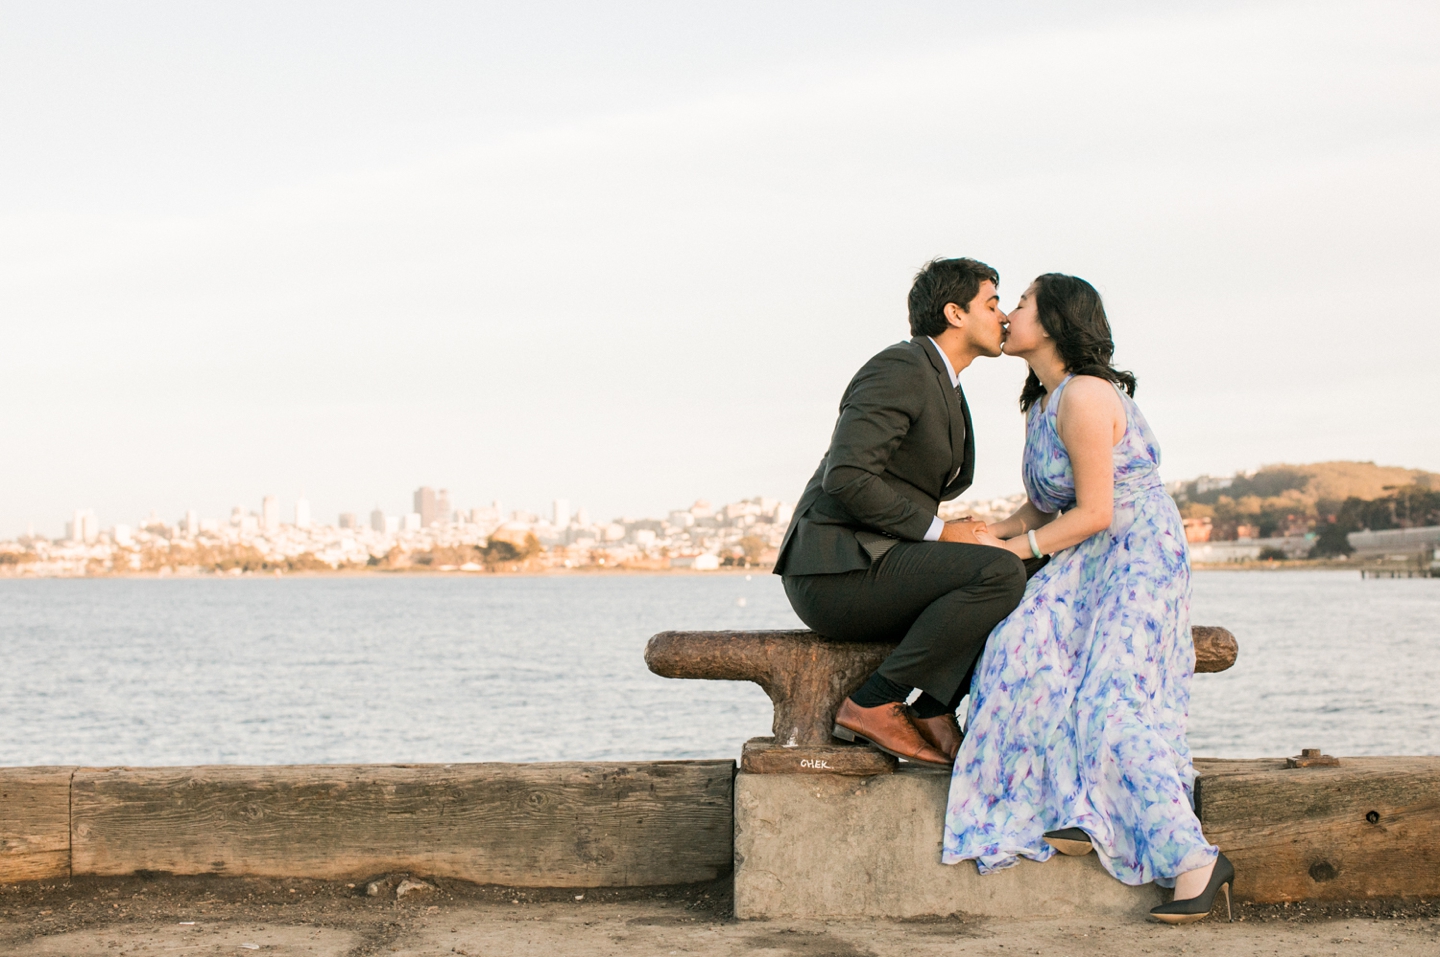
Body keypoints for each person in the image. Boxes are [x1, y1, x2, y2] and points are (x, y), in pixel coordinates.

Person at [941, 273, 1234, 923]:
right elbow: (1045, 503)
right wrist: (989, 531)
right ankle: (1073, 805)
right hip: (1081, 557)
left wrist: (1014, 551)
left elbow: (1097, 510)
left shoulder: (1086, 395)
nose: (1009, 312)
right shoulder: (1039, 402)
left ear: (1052, 322)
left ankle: (1197, 862)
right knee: (1017, 650)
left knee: (1113, 698)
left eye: (1020, 303)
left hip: (1137, 556)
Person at [774, 258, 1028, 768]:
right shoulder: (901, 368)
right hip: (833, 570)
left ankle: (935, 707)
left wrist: (968, 532)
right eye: (993, 304)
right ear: (955, 313)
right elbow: (846, 476)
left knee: (1023, 564)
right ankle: (873, 702)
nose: (1003, 317)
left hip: (883, 558)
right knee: (999, 571)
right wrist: (940, 532)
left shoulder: (945, 383)